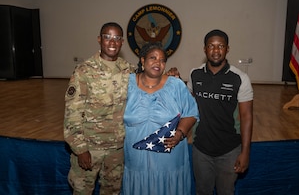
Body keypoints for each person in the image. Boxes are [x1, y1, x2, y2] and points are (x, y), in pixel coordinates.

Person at [64, 22, 181, 195]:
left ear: (122, 42)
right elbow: (72, 114)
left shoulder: (128, 70)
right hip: (90, 148)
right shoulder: (84, 71)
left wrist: (168, 76)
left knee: (112, 192)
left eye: (117, 38)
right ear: (99, 39)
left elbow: (150, 78)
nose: (112, 42)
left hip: (117, 150)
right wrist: (80, 149)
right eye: (107, 37)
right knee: (82, 192)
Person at [122, 42, 199, 195]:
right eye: (153, 58)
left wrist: (180, 133)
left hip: (169, 161)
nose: (158, 62)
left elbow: (191, 113)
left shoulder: (176, 85)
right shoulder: (126, 83)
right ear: (142, 61)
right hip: (136, 161)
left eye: (162, 60)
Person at [187, 29, 253, 195]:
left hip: (229, 150)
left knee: (226, 192)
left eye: (220, 46)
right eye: (211, 46)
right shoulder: (194, 75)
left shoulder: (240, 78)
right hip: (201, 149)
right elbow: (187, 104)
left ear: (227, 49)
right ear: (205, 49)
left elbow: (246, 117)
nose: (216, 51)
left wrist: (245, 152)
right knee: (202, 191)